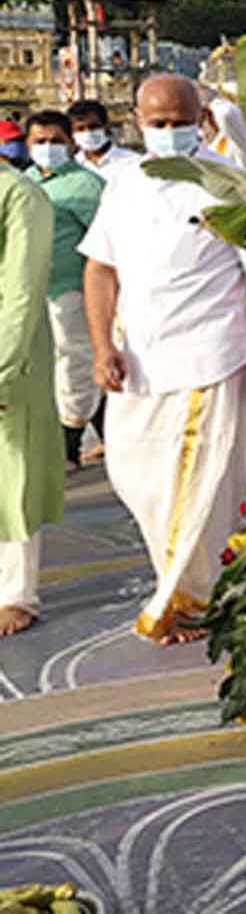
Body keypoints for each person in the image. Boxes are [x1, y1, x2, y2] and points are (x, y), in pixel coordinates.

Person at [80, 75, 246, 645]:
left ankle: (186, 600)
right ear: (138, 121)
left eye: (179, 122)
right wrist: (102, 345)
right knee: (134, 476)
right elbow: (100, 269)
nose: (168, 132)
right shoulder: (123, 182)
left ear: (201, 120)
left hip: (210, 357)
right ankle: (193, 584)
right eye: (158, 123)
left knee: (195, 487)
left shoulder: (226, 184)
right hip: (140, 362)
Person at [23, 111, 106, 471]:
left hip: (70, 289)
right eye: (39, 142)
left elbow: (104, 246)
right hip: (27, 292)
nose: (47, 148)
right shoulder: (22, 182)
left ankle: (68, 447)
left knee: (73, 364)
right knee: (43, 369)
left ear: (71, 143)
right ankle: (105, 434)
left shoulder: (87, 186)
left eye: (55, 141)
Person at [0, 161, 61, 637]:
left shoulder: (20, 195)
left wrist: (3, 367)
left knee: (12, 471)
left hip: (10, 351)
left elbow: (23, 287)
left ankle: (16, 593)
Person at [68, 100, 140, 176]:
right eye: (80, 129)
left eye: (94, 127)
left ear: (106, 126)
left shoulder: (132, 161)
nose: (88, 133)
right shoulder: (72, 167)